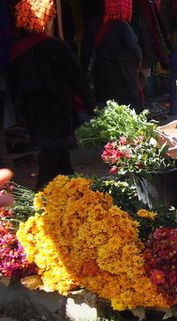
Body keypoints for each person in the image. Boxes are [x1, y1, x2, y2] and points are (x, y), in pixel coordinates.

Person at [10, 0, 95, 190]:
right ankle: (40, 195)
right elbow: (77, 78)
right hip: (57, 110)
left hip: (33, 112)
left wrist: (20, 114)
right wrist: (91, 105)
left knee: (60, 152)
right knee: (52, 151)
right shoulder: (55, 46)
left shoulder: (17, 50)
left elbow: (14, 86)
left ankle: (72, 187)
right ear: (46, 19)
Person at [92, 10, 143, 112]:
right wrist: (138, 65)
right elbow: (135, 49)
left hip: (101, 71)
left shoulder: (95, 24)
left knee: (106, 105)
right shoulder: (122, 25)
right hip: (122, 71)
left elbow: (86, 51)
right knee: (128, 105)